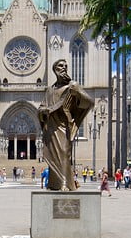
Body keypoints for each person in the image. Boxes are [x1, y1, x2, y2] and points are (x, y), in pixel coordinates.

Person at [38, 59, 95, 191]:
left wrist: (79, 93)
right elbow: (42, 107)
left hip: (64, 126)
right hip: (51, 127)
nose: (63, 68)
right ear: (54, 69)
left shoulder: (73, 86)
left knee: (64, 153)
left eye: (65, 66)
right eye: (60, 65)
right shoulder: (50, 90)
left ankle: (65, 183)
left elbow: (90, 102)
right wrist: (42, 111)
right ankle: (54, 183)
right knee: (52, 155)